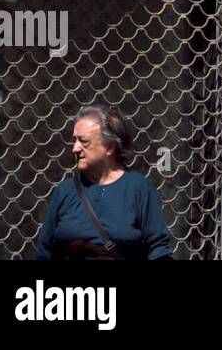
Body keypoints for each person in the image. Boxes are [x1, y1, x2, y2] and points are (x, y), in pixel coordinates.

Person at [35, 104, 173, 260]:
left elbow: (159, 250)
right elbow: (44, 251)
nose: (75, 148)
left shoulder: (139, 189)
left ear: (110, 147)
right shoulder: (65, 191)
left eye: (84, 141)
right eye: (74, 140)